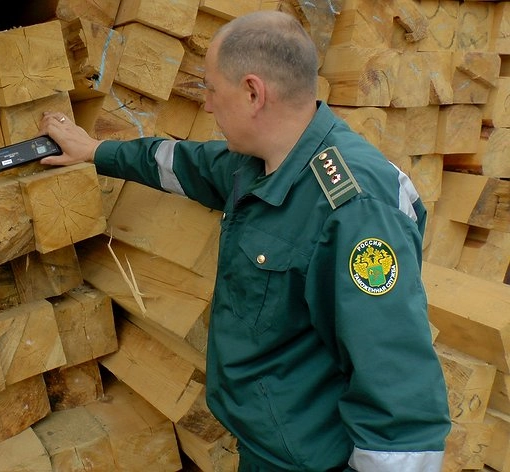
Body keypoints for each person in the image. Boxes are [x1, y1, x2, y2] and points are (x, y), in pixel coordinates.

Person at [37, 10, 451, 472]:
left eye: (212, 89)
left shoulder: (354, 210)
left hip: (306, 462)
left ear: (253, 93)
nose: (207, 106)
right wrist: (96, 151)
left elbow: (397, 383)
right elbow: (181, 163)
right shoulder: (262, 161)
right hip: (266, 445)